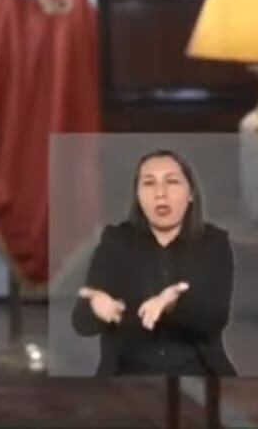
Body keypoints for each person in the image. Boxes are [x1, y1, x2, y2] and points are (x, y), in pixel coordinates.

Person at [72, 149, 237, 376]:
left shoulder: (214, 242)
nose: (160, 193)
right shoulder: (116, 241)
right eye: (149, 184)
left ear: (191, 194)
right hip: (127, 375)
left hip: (197, 372)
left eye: (172, 182)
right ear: (138, 197)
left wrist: (173, 305)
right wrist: (96, 309)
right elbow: (81, 323)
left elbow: (215, 318)